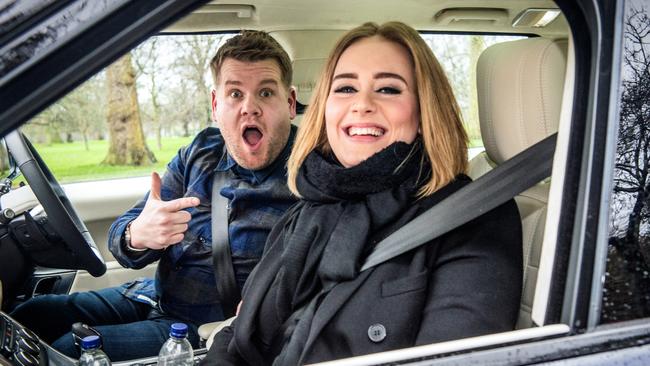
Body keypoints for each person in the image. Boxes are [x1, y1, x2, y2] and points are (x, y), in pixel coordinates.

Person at [202, 22, 523, 365]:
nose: (362, 104)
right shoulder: (307, 209)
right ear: (325, 108)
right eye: (345, 89)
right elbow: (238, 338)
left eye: (387, 89)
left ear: (424, 109)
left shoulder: (472, 217)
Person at [10, 30, 299, 361]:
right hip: (152, 294)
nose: (250, 108)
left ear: (289, 103)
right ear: (216, 105)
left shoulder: (310, 178)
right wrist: (139, 236)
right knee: (30, 315)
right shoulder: (202, 151)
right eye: (235, 93)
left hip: (204, 328)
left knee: (66, 351)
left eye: (265, 92)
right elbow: (126, 233)